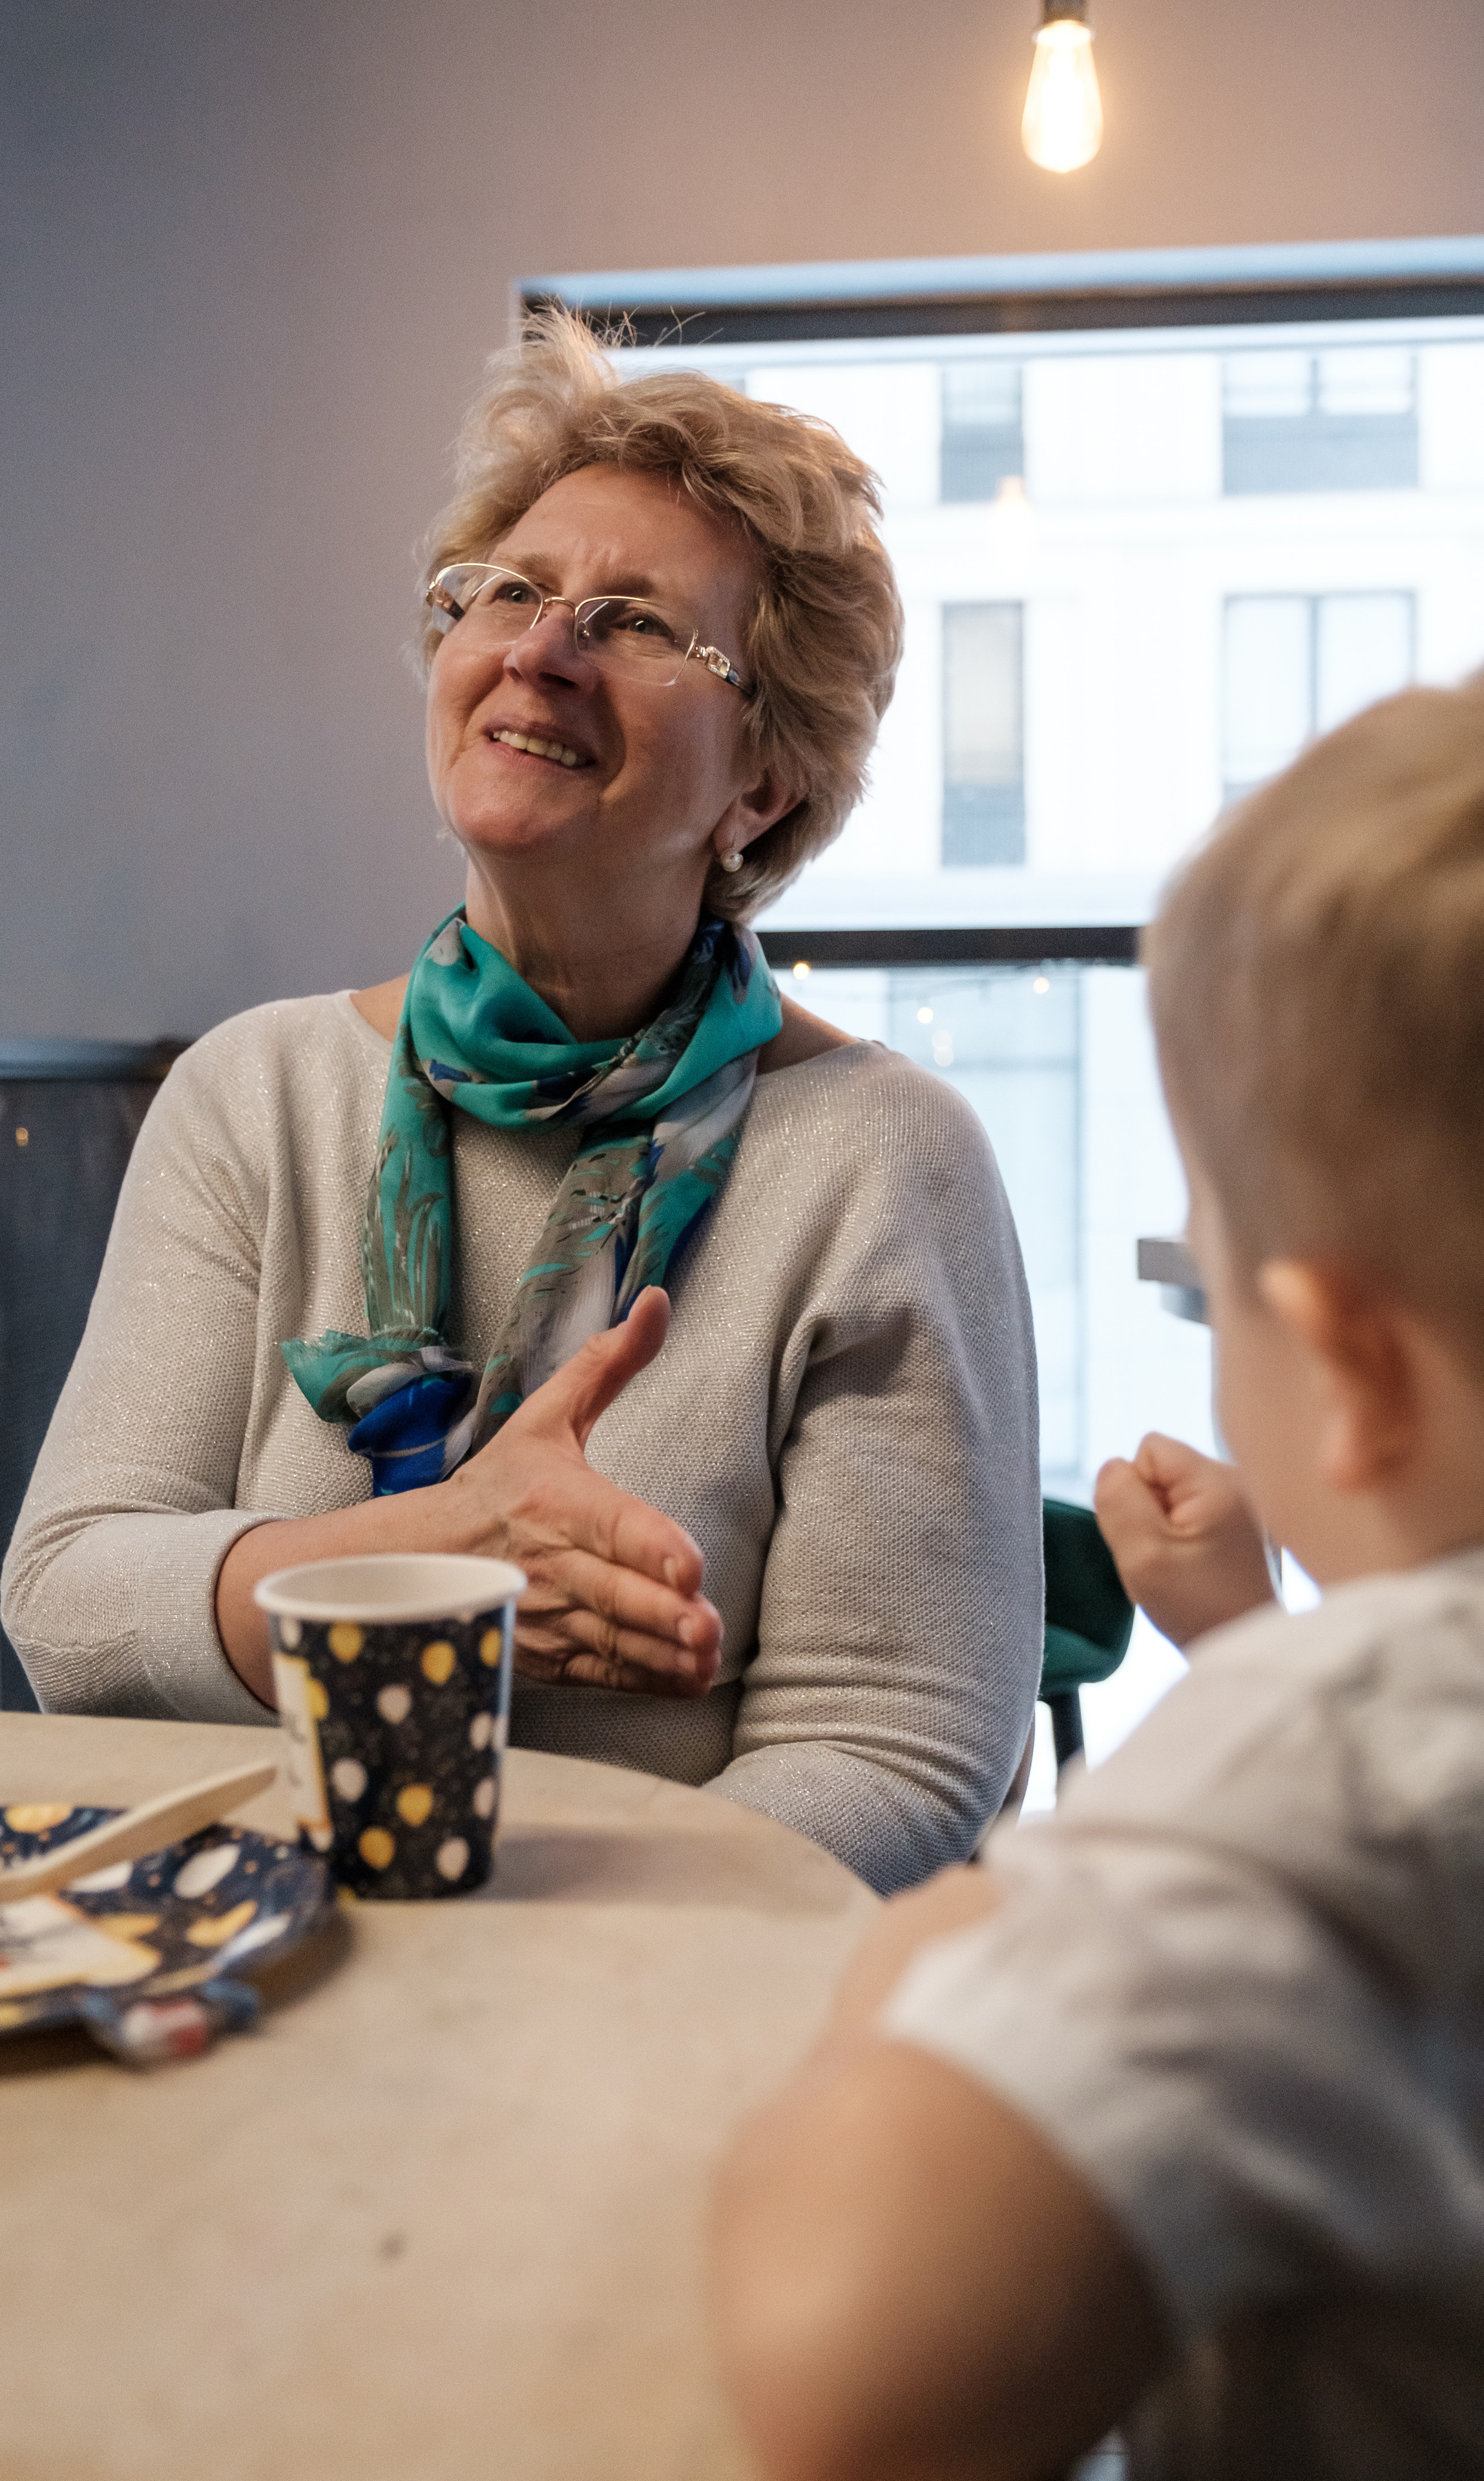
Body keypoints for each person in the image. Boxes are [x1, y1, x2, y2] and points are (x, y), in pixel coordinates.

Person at [2, 312, 1042, 1896]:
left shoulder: (884, 1159)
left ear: (761, 784)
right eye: (506, 592)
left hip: (661, 1995)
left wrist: (535, 1936)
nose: (538, 650)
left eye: (633, 622)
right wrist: (427, 1553)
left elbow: (894, 1739)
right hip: (246, 1957)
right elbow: (70, 1605)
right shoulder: (254, 1095)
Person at [713, 676, 1484, 2475]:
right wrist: (1246, 1639)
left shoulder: (1324, 1770)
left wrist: (944, 1943)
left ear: (1347, 1369)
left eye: (1203, 1286)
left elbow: (849, 2373)